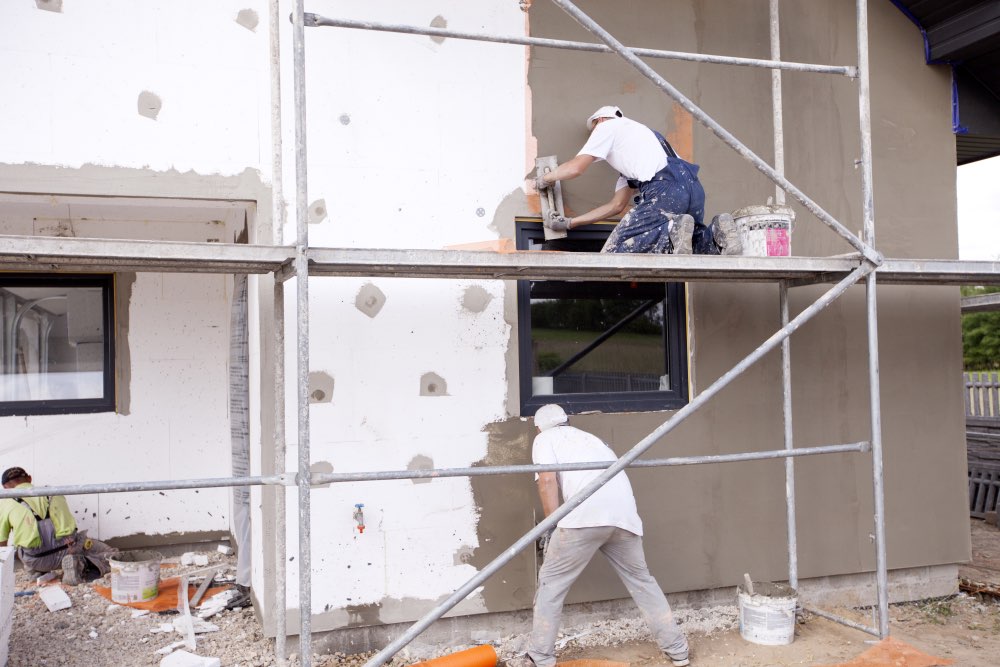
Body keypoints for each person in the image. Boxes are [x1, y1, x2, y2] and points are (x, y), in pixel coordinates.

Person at [509, 404, 691, 667]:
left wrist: (551, 525)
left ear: (538, 427)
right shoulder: (591, 439)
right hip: (624, 517)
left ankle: (540, 658)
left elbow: (547, 481)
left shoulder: (543, 438)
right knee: (643, 583)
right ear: (566, 420)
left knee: (551, 585)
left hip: (584, 517)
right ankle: (678, 651)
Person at [537, 105, 740, 257]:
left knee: (614, 253)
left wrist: (545, 179)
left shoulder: (607, 127)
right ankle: (715, 233)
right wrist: (571, 223)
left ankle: (671, 229)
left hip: (664, 189)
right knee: (691, 246)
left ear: (600, 121)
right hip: (693, 189)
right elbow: (616, 205)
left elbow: (576, 167)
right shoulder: (642, 144)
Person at [0, 467, 114, 585]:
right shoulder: (53, 492)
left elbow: (1, 545)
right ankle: (81, 566)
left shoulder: (4, 502)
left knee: (21, 547)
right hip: (69, 551)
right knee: (112, 554)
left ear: (5, 488)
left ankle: (37, 574)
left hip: (36, 560)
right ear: (29, 478)